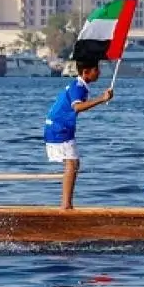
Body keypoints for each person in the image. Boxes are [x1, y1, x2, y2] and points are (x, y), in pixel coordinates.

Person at [43, 61, 113, 210]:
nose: (99, 72)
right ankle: (66, 205)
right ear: (85, 72)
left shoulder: (79, 85)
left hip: (60, 126)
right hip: (59, 127)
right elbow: (77, 107)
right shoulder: (78, 87)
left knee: (74, 163)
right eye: (96, 69)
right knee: (72, 163)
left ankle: (66, 204)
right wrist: (101, 99)